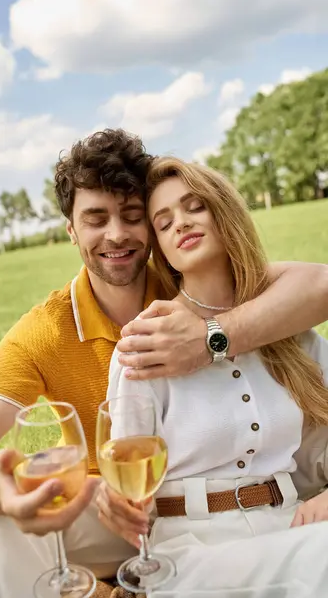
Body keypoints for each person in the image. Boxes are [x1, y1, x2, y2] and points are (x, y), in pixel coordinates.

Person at [0, 129, 328, 598]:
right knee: (0, 511)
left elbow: (312, 286)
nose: (116, 234)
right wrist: (7, 494)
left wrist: (209, 339)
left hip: (251, 489)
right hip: (108, 506)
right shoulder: (46, 330)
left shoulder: (192, 275)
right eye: (96, 219)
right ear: (71, 229)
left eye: (133, 217)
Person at [102, 156, 328, 595]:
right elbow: (129, 486)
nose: (181, 224)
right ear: (160, 250)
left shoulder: (290, 331)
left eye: (194, 207)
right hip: (191, 548)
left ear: (224, 211)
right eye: (163, 224)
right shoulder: (145, 345)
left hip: (292, 525)